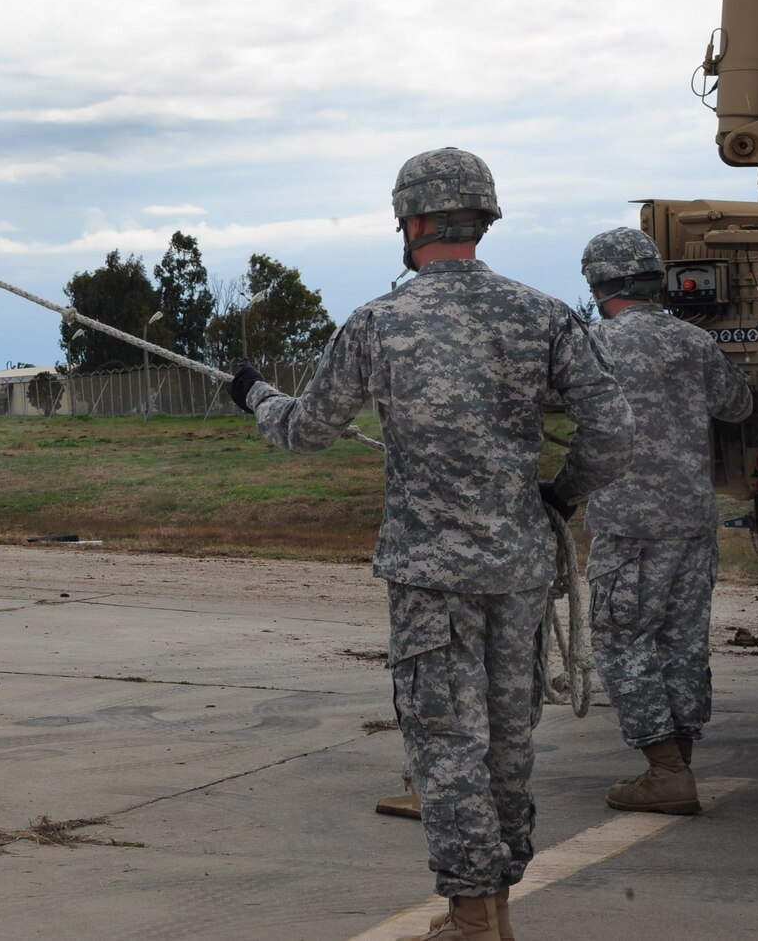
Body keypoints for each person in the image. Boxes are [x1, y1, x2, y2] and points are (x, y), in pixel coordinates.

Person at [228, 149, 634, 941]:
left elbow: (308, 430)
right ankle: (498, 904)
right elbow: (614, 432)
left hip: (428, 578)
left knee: (446, 742)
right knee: (510, 739)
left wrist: (254, 395)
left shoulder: (380, 321)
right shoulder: (545, 314)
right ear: (482, 219)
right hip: (519, 569)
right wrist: (559, 493)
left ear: (410, 222)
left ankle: (472, 917)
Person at [580, 226, 752, 816]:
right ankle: (678, 760)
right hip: (693, 520)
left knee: (622, 642)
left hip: (628, 527)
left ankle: (665, 770)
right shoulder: (693, 342)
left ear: (600, 284)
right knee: (682, 644)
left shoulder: (594, 343)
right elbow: (737, 404)